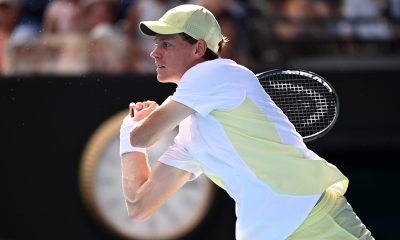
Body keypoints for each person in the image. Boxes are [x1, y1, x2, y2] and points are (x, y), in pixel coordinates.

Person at [119, 4, 374, 240]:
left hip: (314, 220)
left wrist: (138, 128)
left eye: (166, 44)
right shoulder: (189, 136)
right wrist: (127, 131)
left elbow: (144, 136)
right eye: (155, 44)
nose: (154, 53)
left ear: (198, 49)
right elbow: (139, 206)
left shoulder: (217, 73)